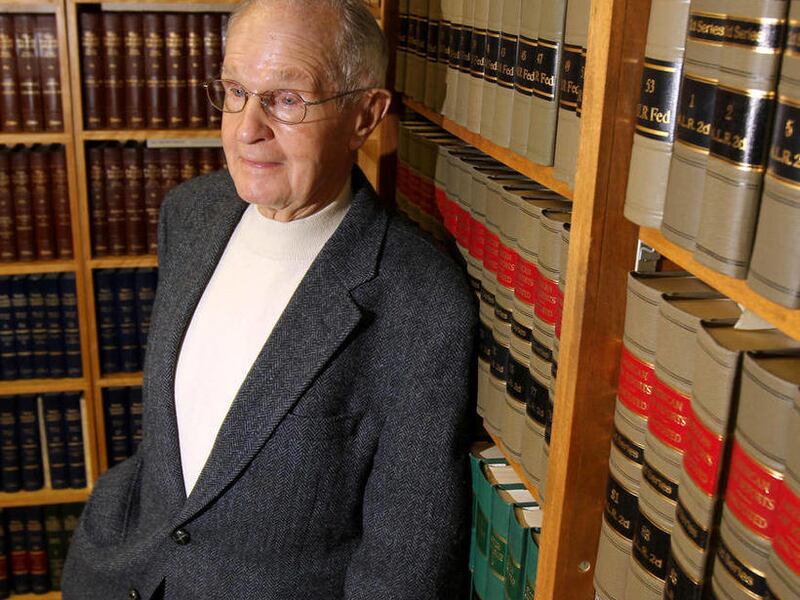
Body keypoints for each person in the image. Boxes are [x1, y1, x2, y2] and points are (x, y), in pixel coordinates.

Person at [62, 0, 476, 598]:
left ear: (365, 116)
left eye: (286, 100)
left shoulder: (419, 301)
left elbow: (403, 566)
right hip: (119, 576)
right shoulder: (191, 214)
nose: (246, 128)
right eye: (235, 92)